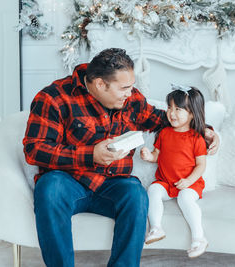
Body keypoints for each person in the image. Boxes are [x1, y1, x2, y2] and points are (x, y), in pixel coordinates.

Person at [23, 48, 219, 267]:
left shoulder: (132, 99)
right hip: (69, 182)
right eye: (124, 88)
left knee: (135, 194)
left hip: (113, 184)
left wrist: (205, 131)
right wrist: (91, 155)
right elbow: (34, 149)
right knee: (50, 188)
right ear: (100, 84)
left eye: (131, 86)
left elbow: (165, 120)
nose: (130, 92)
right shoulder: (54, 97)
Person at [140, 85, 209, 258]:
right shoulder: (164, 133)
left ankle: (199, 238)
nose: (171, 113)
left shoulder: (196, 138)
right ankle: (156, 228)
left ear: (192, 113)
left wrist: (189, 181)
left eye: (178, 109)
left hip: (189, 183)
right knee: (153, 190)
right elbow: (158, 155)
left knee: (185, 197)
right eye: (169, 108)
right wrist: (149, 156)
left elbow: (201, 165)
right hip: (166, 181)